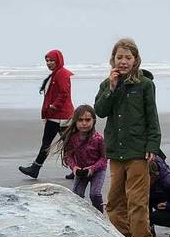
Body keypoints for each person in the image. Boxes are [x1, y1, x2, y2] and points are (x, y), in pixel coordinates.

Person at [94, 38, 161, 237]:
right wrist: (112, 88)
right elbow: (100, 111)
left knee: (137, 199)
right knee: (114, 201)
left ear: (135, 59)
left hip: (138, 151)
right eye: (119, 57)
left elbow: (152, 117)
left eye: (128, 57)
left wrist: (152, 145)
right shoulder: (106, 84)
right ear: (113, 59)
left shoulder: (145, 85)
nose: (123, 61)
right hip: (116, 151)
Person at [19, 49, 73, 178]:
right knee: (66, 144)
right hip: (57, 116)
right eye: (47, 61)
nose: (49, 63)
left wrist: (54, 106)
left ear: (58, 60)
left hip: (60, 116)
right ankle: (77, 169)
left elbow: (64, 93)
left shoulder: (61, 74)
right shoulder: (55, 74)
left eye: (51, 60)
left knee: (52, 143)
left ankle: (35, 168)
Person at [58, 105, 107, 212]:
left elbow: (104, 159)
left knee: (95, 194)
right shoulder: (72, 138)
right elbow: (68, 156)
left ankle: (99, 215)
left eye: (88, 120)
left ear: (93, 121)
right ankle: (80, 214)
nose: (84, 123)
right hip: (81, 170)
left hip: (98, 171)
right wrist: (74, 167)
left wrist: (93, 168)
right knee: (77, 195)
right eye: (80, 120)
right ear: (75, 121)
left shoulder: (98, 139)